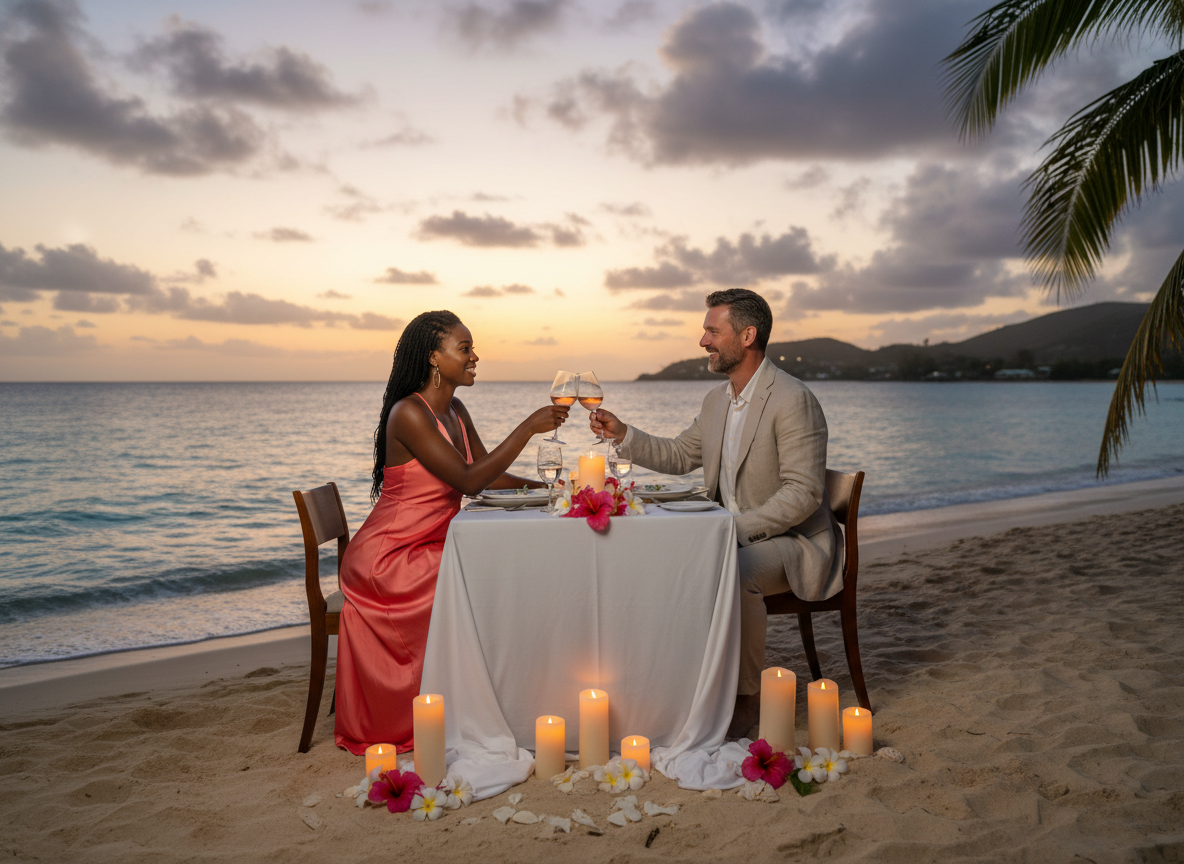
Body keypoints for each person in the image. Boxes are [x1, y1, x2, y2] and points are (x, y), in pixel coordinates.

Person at [590, 289, 842, 738]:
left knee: (733, 570)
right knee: (669, 561)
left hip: (795, 543)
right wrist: (623, 433)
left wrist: (732, 530)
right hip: (736, 533)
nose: (702, 341)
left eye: (712, 330)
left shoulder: (791, 398)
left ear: (747, 336)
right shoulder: (717, 400)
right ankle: (687, 686)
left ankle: (744, 702)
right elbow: (678, 455)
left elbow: (803, 494)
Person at [335, 310, 569, 755]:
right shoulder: (409, 414)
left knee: (490, 571)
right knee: (483, 578)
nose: (475, 356)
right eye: (465, 348)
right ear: (434, 359)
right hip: (389, 561)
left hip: (428, 545)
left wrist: (554, 489)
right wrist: (527, 428)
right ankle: (474, 703)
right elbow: (468, 482)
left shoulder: (456, 410)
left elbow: (488, 474)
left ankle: (499, 697)